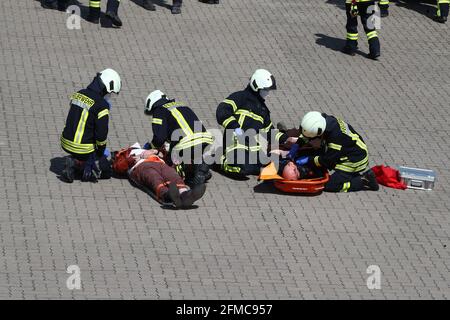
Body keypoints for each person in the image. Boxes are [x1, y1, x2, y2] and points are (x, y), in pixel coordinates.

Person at [216, 69, 294, 177]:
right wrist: (236, 129)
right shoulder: (241, 97)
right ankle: (221, 160)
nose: (267, 93)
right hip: (234, 142)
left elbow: (269, 132)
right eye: (265, 89)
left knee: (275, 164)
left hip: (252, 148)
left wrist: (286, 139)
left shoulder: (263, 110)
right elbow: (222, 110)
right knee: (242, 168)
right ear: (256, 86)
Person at [289, 111, 379, 192]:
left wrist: (309, 160)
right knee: (315, 153)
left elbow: (328, 161)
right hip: (348, 150)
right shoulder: (323, 120)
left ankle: (363, 180)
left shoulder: (335, 138)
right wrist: (297, 144)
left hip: (354, 160)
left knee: (331, 185)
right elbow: (308, 135)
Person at [60, 68, 121, 183]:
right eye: (110, 92)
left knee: (88, 153)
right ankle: (76, 164)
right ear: (106, 87)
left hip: (65, 141)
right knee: (106, 170)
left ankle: (75, 161)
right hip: (83, 148)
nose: (110, 95)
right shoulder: (102, 105)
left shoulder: (79, 93)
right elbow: (101, 134)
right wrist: (100, 151)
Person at [144, 90, 214, 186]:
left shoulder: (159, 110)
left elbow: (159, 138)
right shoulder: (182, 105)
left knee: (173, 167)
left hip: (185, 144)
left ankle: (191, 174)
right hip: (205, 139)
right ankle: (201, 170)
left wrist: (151, 147)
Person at [115, 143, 206, 208]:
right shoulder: (124, 153)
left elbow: (164, 154)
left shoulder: (148, 149)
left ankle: (185, 194)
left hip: (160, 163)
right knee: (153, 177)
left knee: (172, 175)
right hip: (141, 166)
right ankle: (167, 194)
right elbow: (119, 167)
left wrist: (154, 151)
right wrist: (133, 158)